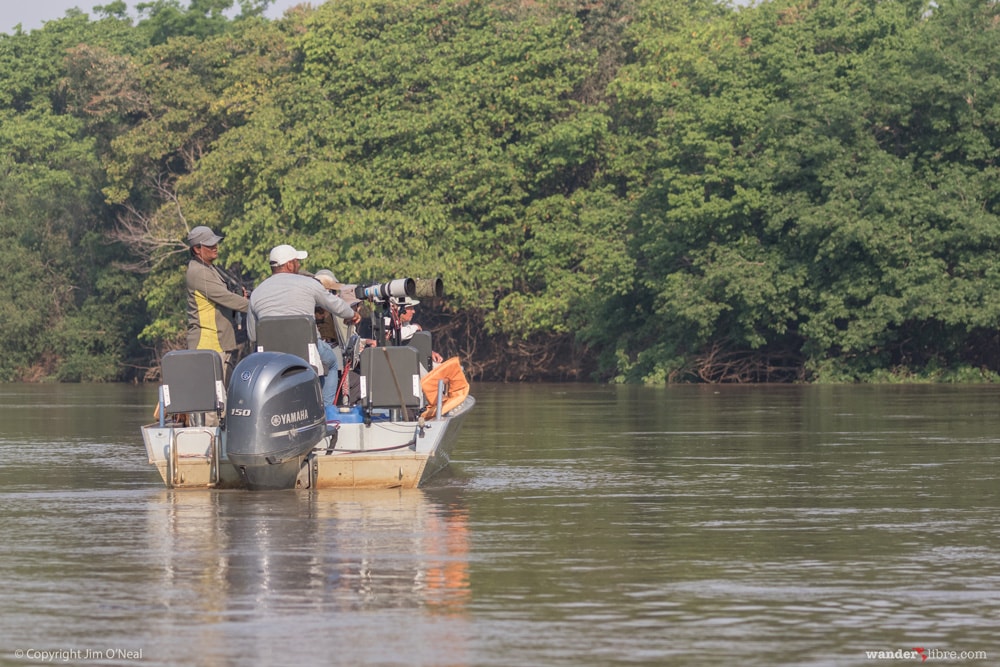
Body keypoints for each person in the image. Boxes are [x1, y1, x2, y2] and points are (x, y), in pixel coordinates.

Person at [247, 245, 361, 406]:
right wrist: (352, 314)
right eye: (297, 262)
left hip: (271, 359)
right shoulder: (308, 284)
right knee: (332, 362)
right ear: (289, 264)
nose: (299, 265)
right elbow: (335, 304)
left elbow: (253, 335)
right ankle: (326, 410)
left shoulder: (257, 292)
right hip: (308, 352)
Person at [185, 225, 249, 385]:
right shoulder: (199, 272)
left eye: (215, 243)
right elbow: (227, 298)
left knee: (224, 397)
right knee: (214, 402)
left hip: (219, 343)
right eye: (209, 245)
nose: (215, 247)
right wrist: (258, 305)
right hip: (208, 345)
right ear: (197, 249)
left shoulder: (209, 268)